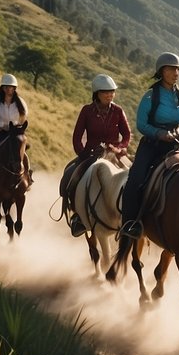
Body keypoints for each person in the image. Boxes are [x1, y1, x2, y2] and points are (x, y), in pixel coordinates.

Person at [116, 53, 179, 245]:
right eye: (171, 69)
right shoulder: (150, 96)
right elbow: (141, 124)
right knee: (135, 180)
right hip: (152, 145)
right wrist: (158, 133)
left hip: (178, 143)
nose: (176, 73)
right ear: (161, 71)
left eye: (178, 69)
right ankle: (130, 224)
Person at [61, 74, 132, 237]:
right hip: (92, 154)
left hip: (115, 155)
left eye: (112, 92)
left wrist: (120, 147)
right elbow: (77, 137)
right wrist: (82, 154)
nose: (110, 95)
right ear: (97, 93)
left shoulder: (118, 111)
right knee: (72, 177)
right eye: (106, 92)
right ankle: (78, 217)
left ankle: (133, 219)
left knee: (135, 176)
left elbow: (127, 135)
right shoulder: (87, 111)